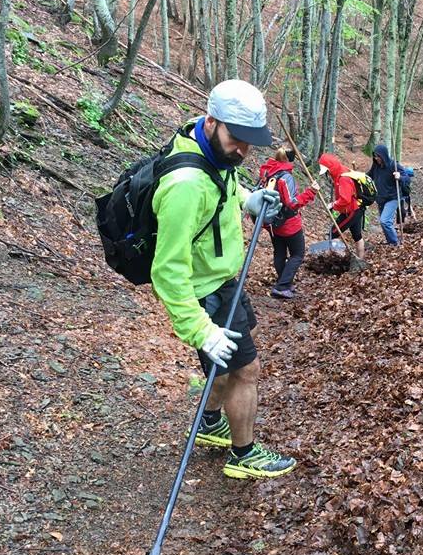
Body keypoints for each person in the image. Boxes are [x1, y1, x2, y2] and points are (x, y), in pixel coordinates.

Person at [150, 79, 297, 480]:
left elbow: (223, 189)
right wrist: (201, 330)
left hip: (222, 281)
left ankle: (211, 423)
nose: (244, 151)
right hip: (206, 296)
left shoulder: (209, 149)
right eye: (238, 139)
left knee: (229, 368)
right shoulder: (185, 186)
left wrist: (248, 199)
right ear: (213, 121)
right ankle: (243, 454)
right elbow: (167, 270)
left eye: (251, 142)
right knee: (246, 370)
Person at [258, 148, 319, 299]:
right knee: (298, 254)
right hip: (288, 223)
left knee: (279, 252)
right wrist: (311, 192)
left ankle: (284, 282)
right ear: (290, 160)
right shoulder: (285, 177)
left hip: (272, 222)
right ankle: (282, 286)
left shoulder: (267, 171)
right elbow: (292, 203)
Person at [318, 152, 366, 261]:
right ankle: (360, 260)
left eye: (327, 171)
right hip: (356, 208)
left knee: (332, 234)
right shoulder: (342, 171)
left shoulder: (343, 178)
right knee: (357, 236)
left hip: (351, 211)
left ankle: (338, 259)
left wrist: (333, 205)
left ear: (331, 168)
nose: (327, 174)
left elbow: (345, 199)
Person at [367, 143, 403, 246]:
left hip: (392, 198)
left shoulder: (393, 165)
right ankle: (390, 242)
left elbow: (406, 177)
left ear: (383, 155)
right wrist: (358, 177)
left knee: (385, 221)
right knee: (385, 223)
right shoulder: (376, 167)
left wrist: (399, 176)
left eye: (378, 156)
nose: (376, 158)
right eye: (375, 156)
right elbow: (369, 176)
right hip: (381, 199)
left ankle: (395, 243)